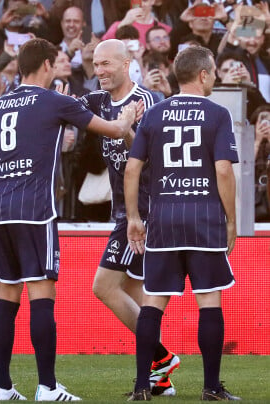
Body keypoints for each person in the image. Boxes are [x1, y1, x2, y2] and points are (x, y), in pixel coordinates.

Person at [0, 37, 136, 402]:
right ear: (49, 65)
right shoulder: (55, 100)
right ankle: (48, 387)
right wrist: (129, 116)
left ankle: (2, 387)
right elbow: (115, 131)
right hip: (34, 210)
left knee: (7, 296)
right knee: (41, 294)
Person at [125, 46, 240, 401]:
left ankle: (143, 386)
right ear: (203, 74)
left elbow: (132, 168)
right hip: (204, 218)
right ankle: (211, 387)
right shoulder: (218, 113)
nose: (216, 77)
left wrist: (133, 217)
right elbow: (223, 169)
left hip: (164, 219)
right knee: (208, 302)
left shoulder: (154, 114)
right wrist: (231, 220)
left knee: (152, 303)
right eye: (215, 72)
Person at [81, 39, 178, 397]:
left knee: (103, 287)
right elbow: (67, 113)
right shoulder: (97, 101)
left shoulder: (150, 102)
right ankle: (160, 376)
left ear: (127, 64)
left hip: (145, 211)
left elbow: (157, 159)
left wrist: (126, 132)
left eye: (106, 63)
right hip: (122, 212)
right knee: (137, 294)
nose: (99, 70)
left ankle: (162, 357)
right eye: (95, 63)